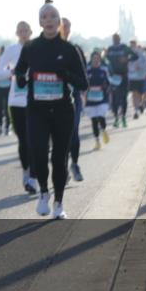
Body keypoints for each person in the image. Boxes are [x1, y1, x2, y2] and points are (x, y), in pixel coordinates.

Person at [14, 0, 88, 220]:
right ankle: (44, 194)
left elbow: (83, 83)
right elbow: (19, 73)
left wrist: (65, 74)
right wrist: (20, 78)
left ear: (59, 22)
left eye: (53, 16)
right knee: (38, 152)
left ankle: (59, 203)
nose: (49, 20)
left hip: (63, 110)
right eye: (44, 17)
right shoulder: (30, 48)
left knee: (59, 157)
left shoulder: (69, 50)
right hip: (37, 110)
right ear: (39, 22)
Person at [0, 22, 36, 194]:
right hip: (16, 100)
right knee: (23, 141)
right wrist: (14, 72)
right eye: (21, 31)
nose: (24, 33)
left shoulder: (37, 47)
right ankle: (26, 172)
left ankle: (34, 177)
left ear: (31, 32)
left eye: (26, 30)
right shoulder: (11, 50)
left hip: (35, 100)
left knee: (34, 140)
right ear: (17, 33)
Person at [60, 17, 87, 183]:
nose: (65, 29)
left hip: (73, 97)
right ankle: (62, 168)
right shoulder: (47, 49)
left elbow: (83, 77)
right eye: (63, 26)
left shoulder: (75, 49)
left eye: (67, 26)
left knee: (74, 133)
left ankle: (74, 164)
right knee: (58, 136)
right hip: (52, 97)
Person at [104, 33, 135, 128]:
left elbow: (135, 56)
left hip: (124, 75)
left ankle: (124, 118)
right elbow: (104, 59)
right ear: (112, 39)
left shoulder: (124, 47)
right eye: (114, 38)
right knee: (114, 98)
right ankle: (116, 118)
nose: (115, 39)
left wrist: (126, 59)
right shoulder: (110, 49)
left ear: (119, 39)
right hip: (114, 77)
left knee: (124, 97)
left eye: (117, 38)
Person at [84, 51, 111, 151]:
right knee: (94, 121)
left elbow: (108, 82)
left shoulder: (104, 70)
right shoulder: (87, 70)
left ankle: (103, 130)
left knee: (101, 117)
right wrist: (85, 92)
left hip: (102, 98)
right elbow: (83, 83)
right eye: (94, 58)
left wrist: (106, 88)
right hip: (90, 99)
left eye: (97, 58)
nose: (95, 60)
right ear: (91, 59)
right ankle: (97, 142)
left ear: (100, 59)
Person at [127, 39, 146, 120]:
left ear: (136, 44)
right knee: (134, 93)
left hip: (140, 76)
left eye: (133, 44)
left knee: (140, 94)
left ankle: (140, 104)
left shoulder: (141, 53)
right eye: (131, 44)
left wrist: (140, 67)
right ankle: (135, 111)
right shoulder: (128, 54)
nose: (132, 46)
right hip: (131, 76)